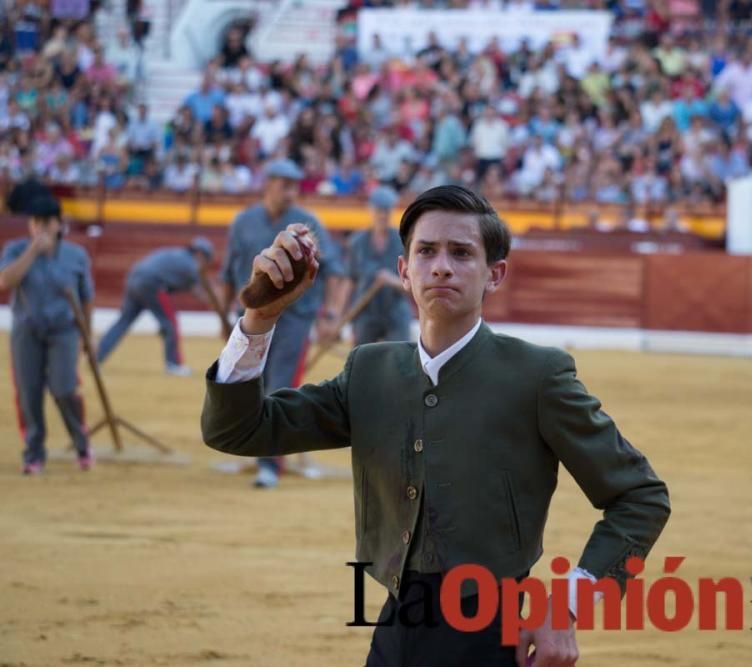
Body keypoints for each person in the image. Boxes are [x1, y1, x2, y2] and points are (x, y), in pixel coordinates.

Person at [201, 185, 671, 665]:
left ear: (495, 274)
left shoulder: (537, 376)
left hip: (488, 635)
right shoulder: (368, 371)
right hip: (392, 628)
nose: (441, 265)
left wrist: (565, 606)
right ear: (405, 272)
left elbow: (640, 495)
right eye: (426, 251)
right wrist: (260, 317)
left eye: (462, 253)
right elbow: (238, 430)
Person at [219, 159, 347, 489]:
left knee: (280, 385)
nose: (290, 192)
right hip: (250, 315)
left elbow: (333, 271)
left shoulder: (308, 223)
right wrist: (224, 316)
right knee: (245, 383)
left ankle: (270, 464)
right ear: (268, 184)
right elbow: (229, 270)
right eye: (284, 184)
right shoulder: (243, 222)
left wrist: (330, 314)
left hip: (294, 318)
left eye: (294, 186)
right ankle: (254, 447)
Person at [0, 196, 94, 474]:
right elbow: (6, 280)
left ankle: (81, 442)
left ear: (58, 224)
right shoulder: (16, 249)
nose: (38, 228)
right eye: (34, 222)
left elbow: (86, 299)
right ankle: (34, 453)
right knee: (29, 393)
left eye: (45, 223)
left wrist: (87, 334)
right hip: (26, 330)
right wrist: (31, 251)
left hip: (64, 331)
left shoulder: (76, 255)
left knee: (64, 388)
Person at [96, 236, 217, 375]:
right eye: (206, 259)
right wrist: (214, 303)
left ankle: (98, 357)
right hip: (152, 285)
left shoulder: (175, 254)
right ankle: (174, 364)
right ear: (200, 254)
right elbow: (199, 291)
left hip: (133, 280)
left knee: (123, 321)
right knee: (170, 323)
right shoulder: (191, 264)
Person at [346, 186, 413, 345]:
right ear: (371, 210)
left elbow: (415, 284)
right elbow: (350, 281)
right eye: (379, 210)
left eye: (386, 211)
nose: (382, 215)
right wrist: (344, 314)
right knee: (362, 359)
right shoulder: (357, 242)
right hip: (365, 311)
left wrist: (393, 280)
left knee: (398, 360)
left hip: (395, 311)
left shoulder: (404, 242)